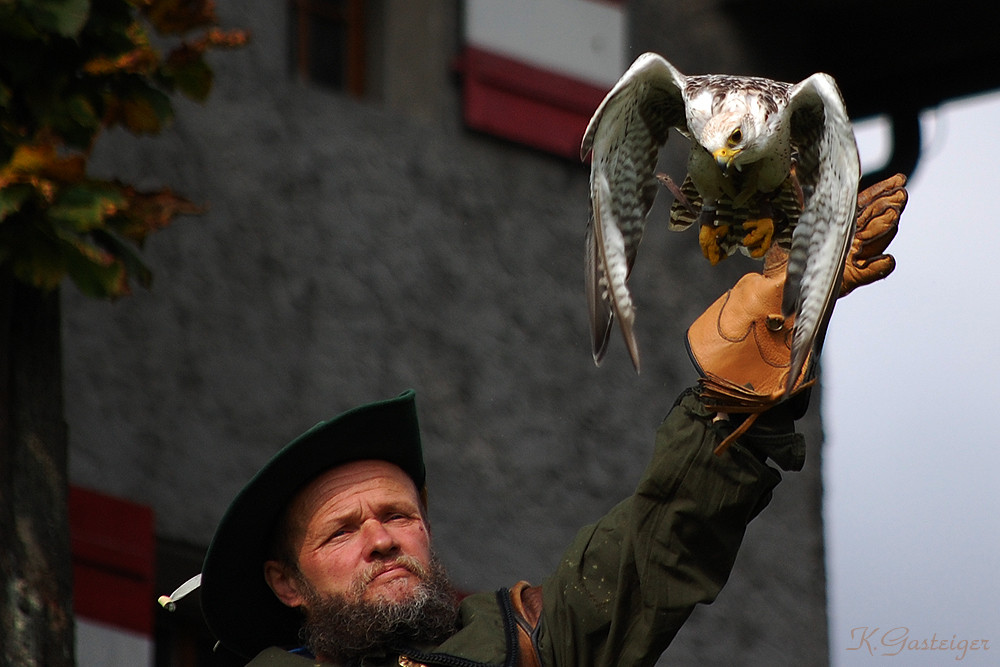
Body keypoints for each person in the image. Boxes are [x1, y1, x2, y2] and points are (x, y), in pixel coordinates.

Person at [168, 175, 907, 666]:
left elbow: (664, 537)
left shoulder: (526, 643)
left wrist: (757, 362)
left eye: (396, 514)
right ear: (285, 582)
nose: (382, 538)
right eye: (342, 529)